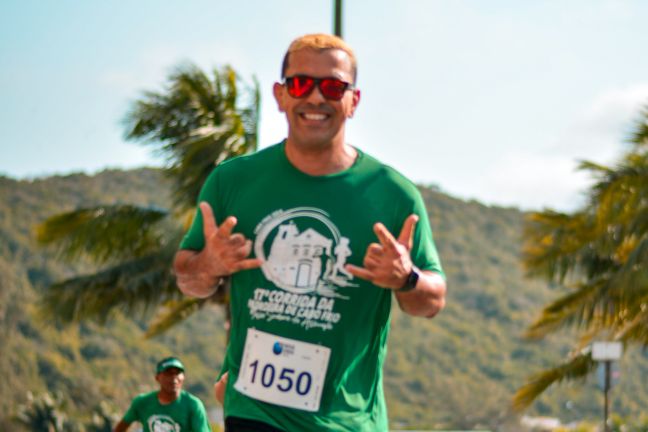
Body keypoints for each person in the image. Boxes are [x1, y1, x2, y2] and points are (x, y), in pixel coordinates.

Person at [174, 33, 447, 432]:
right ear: (281, 95)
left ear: (353, 101)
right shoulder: (232, 181)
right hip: (255, 413)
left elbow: (432, 300)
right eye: (301, 84)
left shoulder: (392, 195)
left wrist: (407, 278)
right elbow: (187, 278)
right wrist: (207, 265)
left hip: (347, 421)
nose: (316, 98)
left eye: (333, 86)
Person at [113, 357, 212, 432]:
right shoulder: (141, 402)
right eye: (168, 373)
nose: (174, 378)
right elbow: (121, 427)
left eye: (177, 373)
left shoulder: (194, 405)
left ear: (183, 377)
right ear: (157, 377)